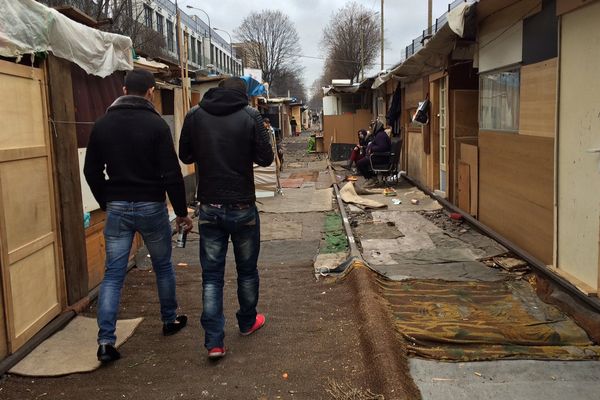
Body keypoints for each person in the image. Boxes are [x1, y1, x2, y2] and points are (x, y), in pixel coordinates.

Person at [84, 69, 192, 363]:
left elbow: (91, 171)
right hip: (151, 207)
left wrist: (107, 200)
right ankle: (169, 319)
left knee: (113, 274)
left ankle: (106, 341)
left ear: (123, 89)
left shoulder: (103, 124)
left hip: (118, 207)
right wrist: (181, 213)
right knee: (163, 266)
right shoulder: (156, 126)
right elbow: (171, 174)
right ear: (151, 92)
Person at [179, 77, 274, 359]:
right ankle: (247, 322)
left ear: (218, 90)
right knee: (247, 271)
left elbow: (185, 155)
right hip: (242, 205)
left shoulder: (195, 114)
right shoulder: (251, 115)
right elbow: (266, 158)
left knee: (211, 277)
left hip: (209, 206)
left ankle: (214, 342)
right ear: (243, 95)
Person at [356, 120, 392, 187]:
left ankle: (372, 178)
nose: (372, 129)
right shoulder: (381, 134)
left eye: (373, 127)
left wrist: (371, 149)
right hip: (379, 156)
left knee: (359, 163)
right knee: (362, 161)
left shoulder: (380, 135)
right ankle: (372, 178)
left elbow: (382, 147)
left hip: (380, 158)